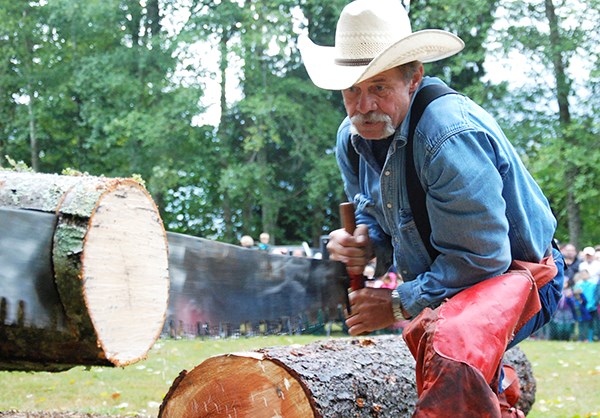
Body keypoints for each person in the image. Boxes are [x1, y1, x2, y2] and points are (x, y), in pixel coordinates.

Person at [298, 1, 564, 416]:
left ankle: (490, 387)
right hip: (460, 280)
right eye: (352, 90)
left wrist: (394, 304)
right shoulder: (351, 139)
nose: (363, 105)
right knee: (445, 335)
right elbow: (379, 218)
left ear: (413, 78)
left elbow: (482, 260)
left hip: (524, 276)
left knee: (450, 340)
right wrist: (364, 244)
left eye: (379, 87)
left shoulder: (447, 137)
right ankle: (495, 390)